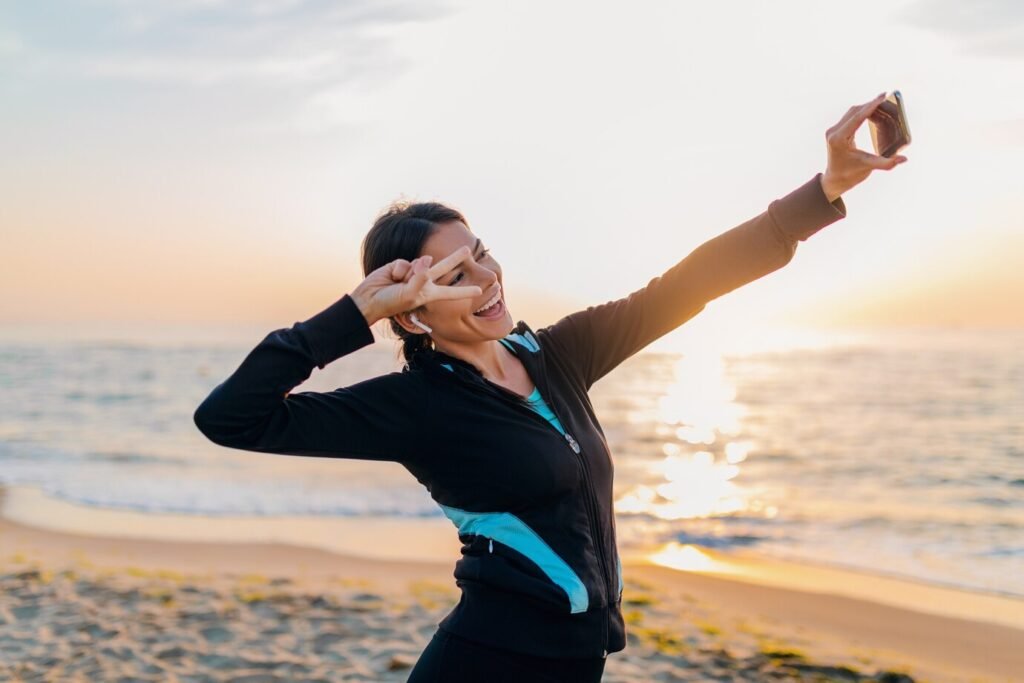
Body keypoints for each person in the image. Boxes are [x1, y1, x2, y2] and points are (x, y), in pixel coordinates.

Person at [193, 93, 906, 683]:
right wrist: (355, 314)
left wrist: (826, 190)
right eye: (456, 276)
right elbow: (232, 418)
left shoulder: (556, 357)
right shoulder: (414, 407)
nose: (488, 277)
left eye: (481, 254)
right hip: (485, 664)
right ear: (410, 311)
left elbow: (688, 285)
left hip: (577, 662)